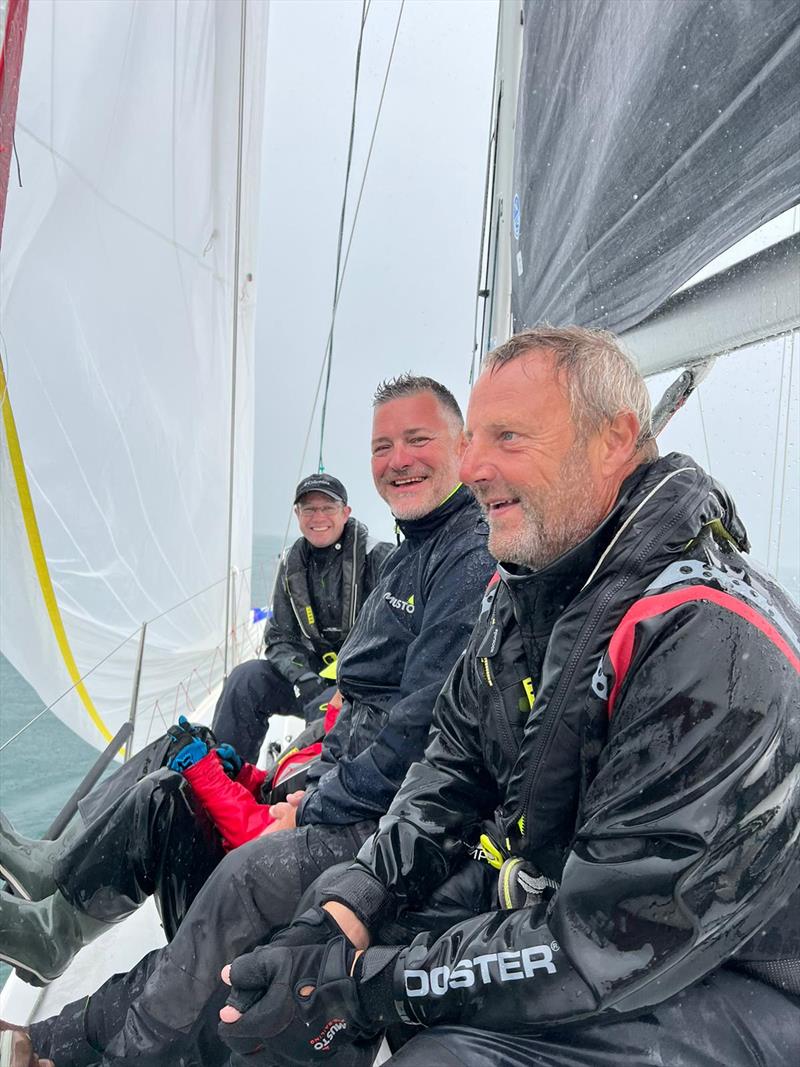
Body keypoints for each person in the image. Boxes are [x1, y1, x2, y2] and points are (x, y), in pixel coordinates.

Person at [217, 326, 800, 1067]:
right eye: (474, 439)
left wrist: (364, 986)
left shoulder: (708, 638)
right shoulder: (526, 593)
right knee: (292, 971)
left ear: (615, 438)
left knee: (441, 1055)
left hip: (740, 980)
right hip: (571, 921)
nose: (473, 465)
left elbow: (601, 945)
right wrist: (347, 910)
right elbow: (447, 775)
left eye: (509, 437)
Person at [15, 374, 495, 1067]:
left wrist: (308, 804)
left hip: (383, 817)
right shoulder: (412, 553)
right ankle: (58, 905)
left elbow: (418, 731)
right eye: (383, 444)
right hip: (334, 764)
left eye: (417, 439)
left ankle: (108, 1043)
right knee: (171, 790)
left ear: (463, 445)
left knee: (239, 877)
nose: (399, 458)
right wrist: (300, 778)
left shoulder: (462, 555)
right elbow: (313, 666)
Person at [213, 473, 393, 762]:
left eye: (328, 508)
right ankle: (227, 777)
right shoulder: (291, 565)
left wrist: (347, 684)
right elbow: (278, 638)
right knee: (245, 679)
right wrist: (304, 679)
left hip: (363, 683)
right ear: (297, 514)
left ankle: (313, 796)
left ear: (345, 512)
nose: (318, 516)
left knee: (326, 709)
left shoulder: (379, 557)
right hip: (312, 678)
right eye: (309, 508)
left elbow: (395, 636)